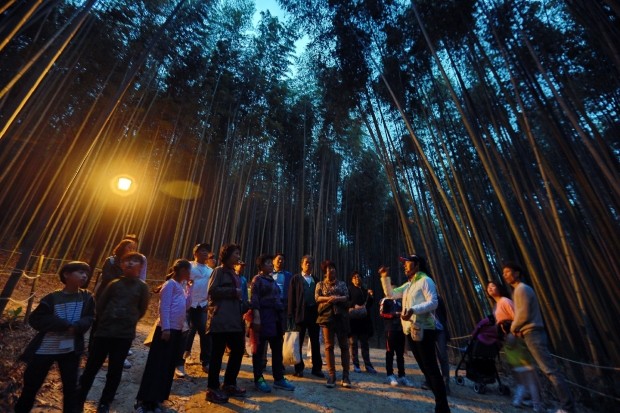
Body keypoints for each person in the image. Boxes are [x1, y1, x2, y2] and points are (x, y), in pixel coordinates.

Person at [15, 262, 94, 413]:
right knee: (31, 386)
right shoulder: (52, 298)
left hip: (70, 350)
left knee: (71, 388)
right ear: (66, 274)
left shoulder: (87, 297)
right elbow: (35, 319)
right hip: (45, 348)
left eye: (86, 272)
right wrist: (64, 324)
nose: (84, 275)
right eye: (80, 271)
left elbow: (89, 317)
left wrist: (77, 326)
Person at [77, 252, 150, 413]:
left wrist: (128, 320)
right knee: (91, 367)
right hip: (104, 332)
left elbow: (142, 309)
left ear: (141, 266)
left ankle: (105, 402)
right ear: (122, 265)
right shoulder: (114, 284)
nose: (130, 263)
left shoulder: (142, 287)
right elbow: (101, 304)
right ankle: (79, 398)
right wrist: (107, 319)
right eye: (127, 260)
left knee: (115, 370)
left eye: (135, 261)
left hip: (124, 335)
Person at [380, 255, 450, 413]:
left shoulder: (426, 281)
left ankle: (442, 407)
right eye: (404, 264)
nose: (405, 266)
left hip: (425, 329)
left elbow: (433, 302)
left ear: (417, 265)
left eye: (407, 263)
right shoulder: (409, 284)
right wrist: (385, 277)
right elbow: (391, 294)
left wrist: (413, 310)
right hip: (412, 330)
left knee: (431, 369)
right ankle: (440, 404)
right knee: (426, 369)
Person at [503, 262, 574, 413]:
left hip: (533, 333)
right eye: (504, 273)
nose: (505, 275)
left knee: (550, 370)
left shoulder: (521, 289)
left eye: (508, 272)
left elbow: (523, 315)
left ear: (517, 273)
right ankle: (563, 405)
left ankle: (567, 407)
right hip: (531, 333)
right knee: (548, 370)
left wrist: (513, 329)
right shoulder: (520, 290)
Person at [135, 260, 192, 413]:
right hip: (166, 330)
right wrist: (166, 328)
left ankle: (157, 400)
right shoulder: (170, 285)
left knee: (167, 366)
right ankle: (145, 401)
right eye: (188, 270)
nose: (190, 274)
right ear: (180, 270)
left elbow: (187, 307)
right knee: (157, 365)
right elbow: (164, 307)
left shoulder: (182, 286)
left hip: (177, 330)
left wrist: (190, 290)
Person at [487, 280, 542, 412]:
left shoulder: (505, 301)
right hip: (507, 341)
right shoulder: (495, 306)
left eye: (493, 286)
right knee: (518, 372)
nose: (490, 288)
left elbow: (516, 317)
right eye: (488, 287)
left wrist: (514, 333)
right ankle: (523, 397)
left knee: (527, 372)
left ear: (499, 288)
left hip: (516, 339)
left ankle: (537, 404)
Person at [205, 244, 246, 404]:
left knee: (238, 350)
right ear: (227, 255)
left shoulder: (234, 274)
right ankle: (212, 389)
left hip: (234, 321)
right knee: (217, 355)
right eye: (236, 253)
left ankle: (229, 383)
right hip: (220, 320)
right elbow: (212, 291)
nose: (238, 256)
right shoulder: (218, 271)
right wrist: (232, 292)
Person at [249, 254, 296, 393]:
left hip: (275, 319)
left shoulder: (271, 280)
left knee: (277, 349)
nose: (271, 265)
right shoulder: (257, 279)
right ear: (261, 266)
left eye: (271, 263)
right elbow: (255, 299)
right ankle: (259, 379)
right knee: (259, 350)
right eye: (268, 263)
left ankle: (279, 378)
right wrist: (256, 317)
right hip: (263, 317)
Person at [316, 260, 351, 388]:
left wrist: (337, 298)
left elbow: (347, 296)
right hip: (327, 318)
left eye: (333, 268)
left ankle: (346, 376)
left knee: (344, 346)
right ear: (324, 272)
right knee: (329, 346)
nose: (331, 270)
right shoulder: (320, 284)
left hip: (341, 317)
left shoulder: (342, 284)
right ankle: (332, 376)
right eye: (329, 268)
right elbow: (317, 298)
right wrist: (329, 299)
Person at [288, 255, 324, 378]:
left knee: (315, 342)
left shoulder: (316, 279)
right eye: (306, 263)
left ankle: (317, 368)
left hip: (314, 314)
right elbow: (291, 298)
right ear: (301, 265)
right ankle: (299, 368)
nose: (308, 265)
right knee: (298, 342)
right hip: (300, 314)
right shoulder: (296, 279)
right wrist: (290, 314)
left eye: (310, 263)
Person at [181, 243, 213, 375]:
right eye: (202, 251)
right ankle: (180, 361)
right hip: (188, 305)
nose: (205, 253)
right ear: (195, 253)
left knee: (205, 334)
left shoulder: (210, 270)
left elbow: (211, 289)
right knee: (185, 332)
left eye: (206, 251)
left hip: (202, 305)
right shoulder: (188, 266)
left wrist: (209, 303)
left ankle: (205, 361)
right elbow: (182, 282)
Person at [378, 294, 412, 386]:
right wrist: (394, 314)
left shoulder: (400, 301)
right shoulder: (385, 300)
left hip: (401, 329)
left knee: (400, 354)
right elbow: (382, 313)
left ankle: (402, 375)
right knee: (390, 352)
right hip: (390, 329)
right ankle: (390, 374)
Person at [348, 271, 377, 374]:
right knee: (353, 343)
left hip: (364, 321)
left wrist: (371, 296)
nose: (357, 278)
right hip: (353, 321)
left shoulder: (365, 291)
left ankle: (368, 365)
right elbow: (346, 302)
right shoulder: (349, 290)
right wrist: (353, 305)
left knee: (365, 343)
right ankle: (356, 364)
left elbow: (369, 305)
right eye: (355, 277)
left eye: (359, 276)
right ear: (352, 280)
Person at [422, 295, 451, 395]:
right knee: (429, 357)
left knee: (443, 356)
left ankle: (445, 383)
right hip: (427, 329)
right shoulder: (419, 298)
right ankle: (430, 381)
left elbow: (444, 314)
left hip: (439, 330)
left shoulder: (438, 298)